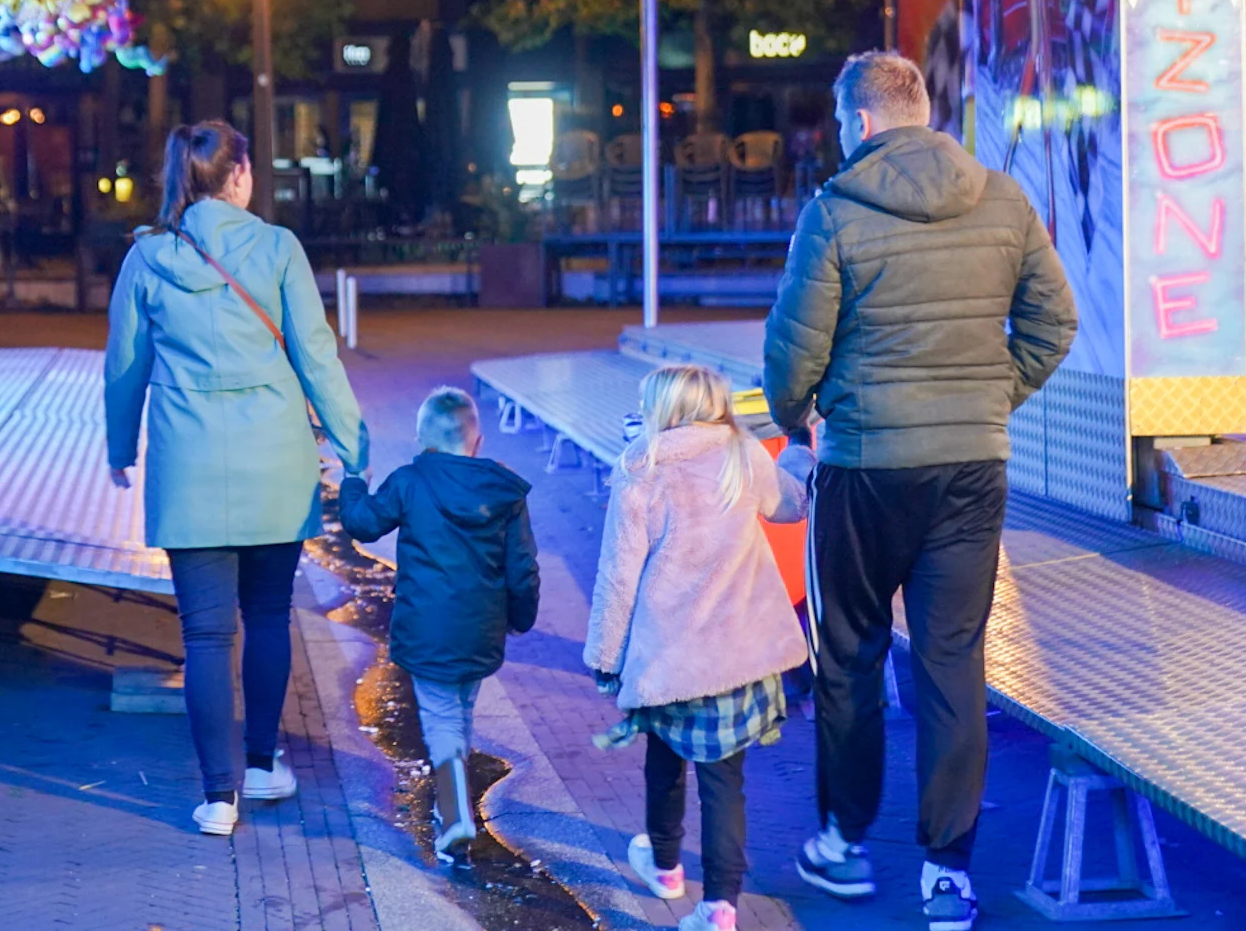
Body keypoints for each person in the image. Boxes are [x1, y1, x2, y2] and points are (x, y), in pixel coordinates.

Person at [764, 51, 1076, 931]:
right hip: (971, 472)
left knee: (851, 656)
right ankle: (948, 874)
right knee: (951, 664)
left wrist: (800, 421)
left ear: (861, 121)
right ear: (922, 110)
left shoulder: (833, 213)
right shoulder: (1003, 199)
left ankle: (844, 843)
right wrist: (987, 400)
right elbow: (1055, 322)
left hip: (863, 469)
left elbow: (794, 355)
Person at [104, 121, 368, 837]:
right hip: (276, 461)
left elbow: (125, 363)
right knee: (270, 615)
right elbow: (315, 354)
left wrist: (118, 446)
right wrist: (353, 439)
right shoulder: (278, 247)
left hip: (189, 466)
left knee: (205, 636)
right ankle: (261, 763)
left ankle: (219, 797)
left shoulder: (148, 256)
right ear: (241, 174)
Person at [584, 364, 807, 931]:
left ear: (661, 408)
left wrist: (605, 659)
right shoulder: (742, 451)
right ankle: (721, 907)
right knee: (724, 783)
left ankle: (664, 867)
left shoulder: (642, 469)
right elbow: (791, 505)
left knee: (663, 760)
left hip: (672, 658)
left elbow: (618, 577)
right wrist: (802, 450)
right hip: (740, 656)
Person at [339, 386, 540, 861]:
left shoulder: (410, 481)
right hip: (481, 627)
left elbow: (364, 523)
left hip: (425, 626)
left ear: (422, 439)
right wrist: (520, 617)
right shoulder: (504, 491)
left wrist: (354, 480)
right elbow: (523, 566)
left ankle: (453, 815)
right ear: (479, 440)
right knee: (461, 710)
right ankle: (455, 802)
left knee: (442, 716)